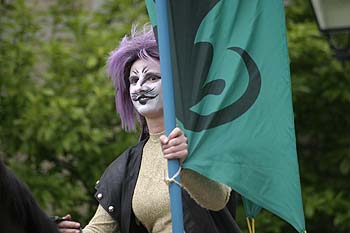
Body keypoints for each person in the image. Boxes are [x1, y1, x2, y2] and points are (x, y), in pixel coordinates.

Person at [57, 26, 241, 233]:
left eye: (152, 77)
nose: (140, 87)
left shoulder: (205, 140)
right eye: (134, 80)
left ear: (177, 84)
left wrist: (186, 165)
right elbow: (98, 230)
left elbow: (217, 200)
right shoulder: (127, 166)